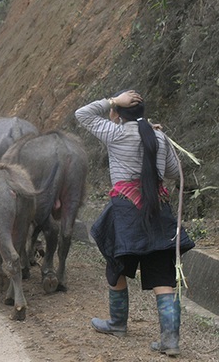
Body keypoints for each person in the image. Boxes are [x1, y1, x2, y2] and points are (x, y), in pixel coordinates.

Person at [75, 89, 195, 356]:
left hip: (126, 212)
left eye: (114, 108)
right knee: (163, 275)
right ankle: (170, 341)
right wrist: (154, 139)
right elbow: (174, 173)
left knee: (117, 265)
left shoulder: (115, 133)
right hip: (157, 210)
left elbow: (81, 114)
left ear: (117, 113)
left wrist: (111, 100)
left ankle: (117, 324)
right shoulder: (159, 137)